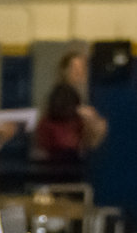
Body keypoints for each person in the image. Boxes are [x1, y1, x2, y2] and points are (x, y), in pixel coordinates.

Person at [33, 49, 107, 180]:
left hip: (63, 156)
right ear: (65, 70)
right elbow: (58, 111)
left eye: (82, 67)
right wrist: (81, 113)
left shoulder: (72, 93)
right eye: (75, 68)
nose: (79, 72)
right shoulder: (62, 92)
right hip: (62, 157)